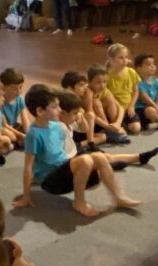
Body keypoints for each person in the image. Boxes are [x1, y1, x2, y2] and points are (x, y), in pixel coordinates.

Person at [15, 85, 141, 218]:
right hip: (50, 181)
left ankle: (118, 197)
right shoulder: (33, 134)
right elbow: (28, 166)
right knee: (85, 160)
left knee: (99, 156)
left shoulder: (57, 126)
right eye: (54, 107)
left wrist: (81, 119)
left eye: (59, 106)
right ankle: (79, 202)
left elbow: (77, 135)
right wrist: (26, 196)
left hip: (63, 171)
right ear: (40, 111)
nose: (59, 110)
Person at [57, 90, 158, 169]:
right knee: (98, 159)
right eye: (74, 113)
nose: (76, 116)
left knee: (105, 156)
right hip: (69, 157)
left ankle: (139, 157)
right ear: (62, 113)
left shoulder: (69, 122)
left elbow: (85, 129)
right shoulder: (59, 127)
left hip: (74, 151)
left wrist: (81, 118)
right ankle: (107, 166)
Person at [86, 63, 131, 145]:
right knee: (96, 102)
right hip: (93, 123)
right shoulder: (88, 92)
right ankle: (110, 131)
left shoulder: (104, 90)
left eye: (105, 82)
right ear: (89, 82)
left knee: (110, 99)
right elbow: (90, 114)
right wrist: (107, 126)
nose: (102, 86)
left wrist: (117, 123)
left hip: (106, 122)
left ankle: (114, 128)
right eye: (98, 83)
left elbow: (120, 107)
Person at [105, 44, 143, 135]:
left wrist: (132, 106)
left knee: (136, 128)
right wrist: (118, 107)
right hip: (115, 109)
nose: (125, 60)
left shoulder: (131, 72)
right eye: (121, 58)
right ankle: (117, 125)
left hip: (128, 108)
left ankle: (124, 125)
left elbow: (135, 91)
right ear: (111, 59)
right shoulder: (107, 75)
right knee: (120, 132)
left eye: (126, 57)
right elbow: (107, 95)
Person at [61, 70, 105, 147]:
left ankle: (81, 144)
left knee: (103, 136)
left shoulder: (78, 98)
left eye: (85, 85)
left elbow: (85, 128)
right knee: (90, 115)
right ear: (69, 88)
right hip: (68, 131)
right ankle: (89, 144)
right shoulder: (64, 101)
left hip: (78, 130)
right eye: (81, 85)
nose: (84, 88)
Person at [0, 68, 32, 147]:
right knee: (10, 136)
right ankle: (14, 143)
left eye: (20, 87)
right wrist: (21, 135)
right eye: (14, 89)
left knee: (34, 130)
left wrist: (29, 134)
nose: (19, 91)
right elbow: (4, 125)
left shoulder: (19, 99)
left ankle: (16, 143)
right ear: (3, 87)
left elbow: (25, 119)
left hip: (13, 126)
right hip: (2, 128)